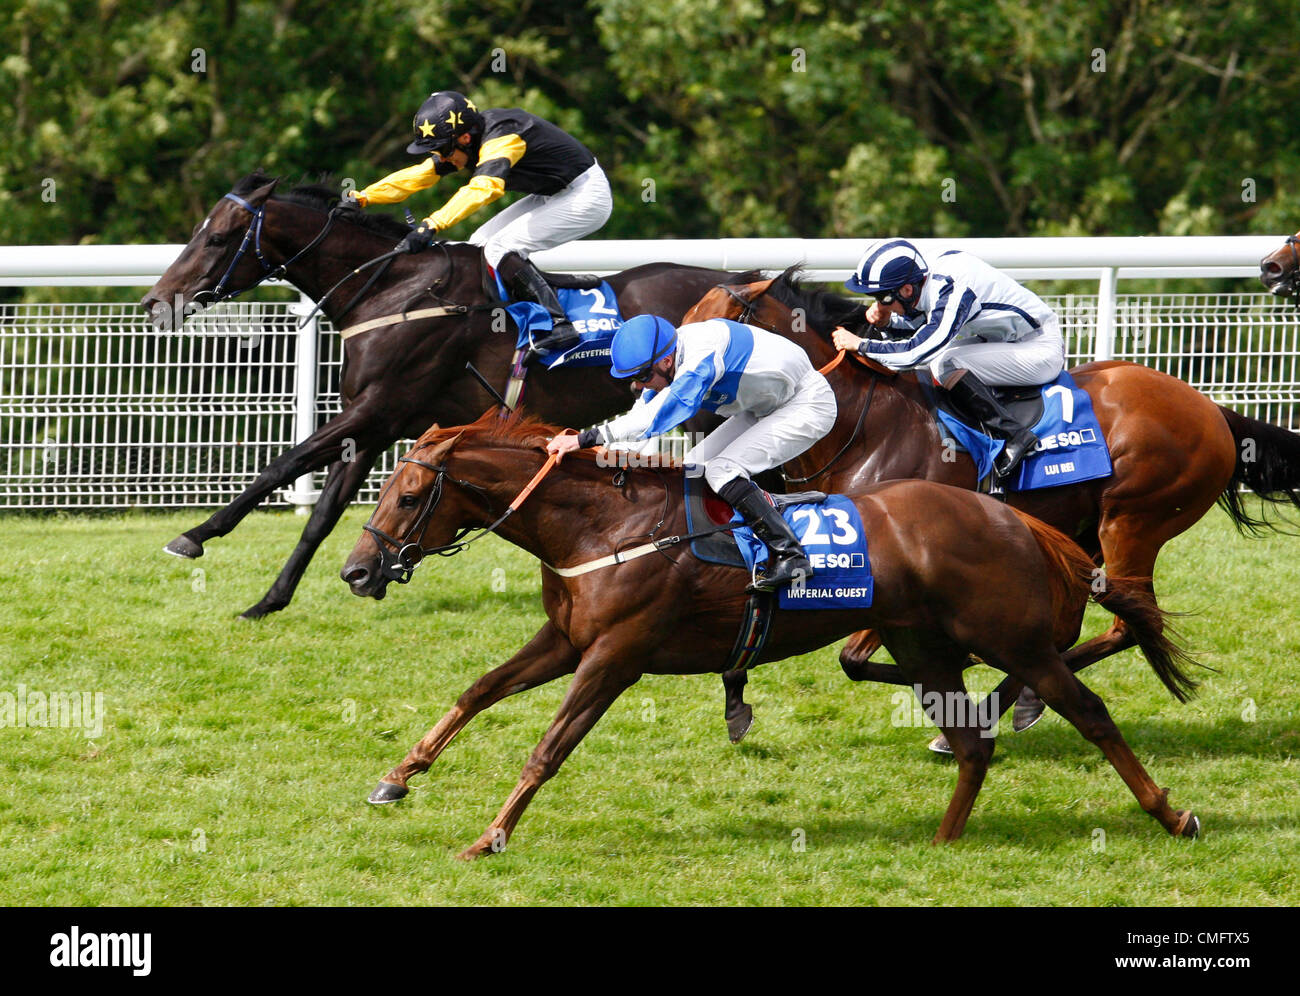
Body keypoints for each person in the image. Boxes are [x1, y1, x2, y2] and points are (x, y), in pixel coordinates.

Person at [547, 314, 837, 591]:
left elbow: (652, 420)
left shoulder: (700, 358)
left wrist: (584, 439)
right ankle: (722, 548)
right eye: (633, 377)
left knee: (722, 470)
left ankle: (791, 556)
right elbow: (641, 419)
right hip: (764, 408)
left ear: (666, 361)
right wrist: (608, 460)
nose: (639, 384)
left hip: (805, 404)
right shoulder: (665, 359)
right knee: (693, 467)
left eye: (642, 375)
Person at [347, 90, 613, 356]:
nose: (440, 158)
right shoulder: (464, 144)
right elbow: (421, 175)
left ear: (464, 137)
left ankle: (558, 324)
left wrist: (432, 224)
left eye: (442, 150)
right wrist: (363, 198)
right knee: (479, 244)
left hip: (587, 195)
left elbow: (484, 189)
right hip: (554, 194)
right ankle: (525, 306)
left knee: (500, 248)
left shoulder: (503, 137)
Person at [830, 239, 1066, 479]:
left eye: (883, 297)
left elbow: (917, 351)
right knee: (943, 360)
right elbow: (925, 324)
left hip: (1039, 350)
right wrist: (888, 321)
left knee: (944, 362)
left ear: (907, 290)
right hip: (1006, 340)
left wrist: (861, 345)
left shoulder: (953, 287)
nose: (880, 304)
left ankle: (1014, 435)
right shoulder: (923, 276)